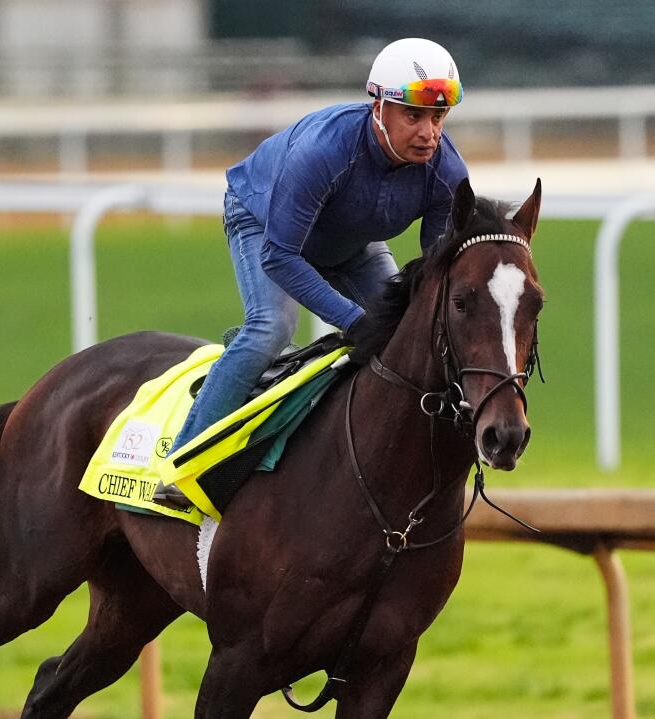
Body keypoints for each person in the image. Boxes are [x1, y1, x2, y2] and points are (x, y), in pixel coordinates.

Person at [153, 37, 469, 509]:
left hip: (352, 242)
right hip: (264, 224)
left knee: (410, 333)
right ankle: (185, 463)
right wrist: (354, 320)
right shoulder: (324, 151)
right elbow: (281, 257)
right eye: (414, 115)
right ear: (378, 106)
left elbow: (435, 277)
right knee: (271, 328)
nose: (429, 133)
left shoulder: (446, 172)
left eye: (438, 117)